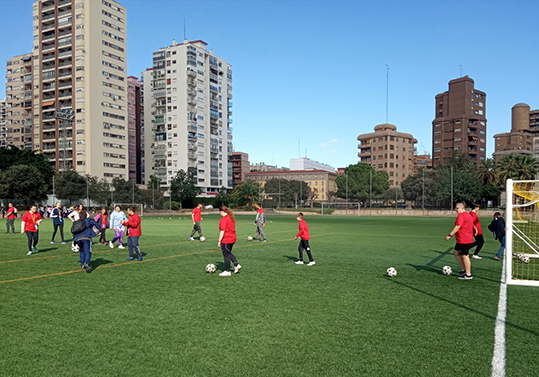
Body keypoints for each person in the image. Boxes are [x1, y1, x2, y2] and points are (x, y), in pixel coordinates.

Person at [445, 202, 475, 280]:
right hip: (463, 239)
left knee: (465, 256)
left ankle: (468, 274)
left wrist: (450, 235)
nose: (456, 210)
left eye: (457, 208)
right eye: (455, 208)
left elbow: (458, 226)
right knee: (456, 252)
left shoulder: (461, 215)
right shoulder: (468, 215)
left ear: (462, 208)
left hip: (464, 239)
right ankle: (463, 270)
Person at [217, 205, 241, 277]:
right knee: (228, 253)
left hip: (226, 239)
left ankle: (227, 271)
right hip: (233, 238)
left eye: (219, 212)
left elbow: (222, 230)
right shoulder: (231, 218)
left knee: (226, 255)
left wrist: (219, 240)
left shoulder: (224, 219)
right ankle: (236, 265)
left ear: (222, 211)